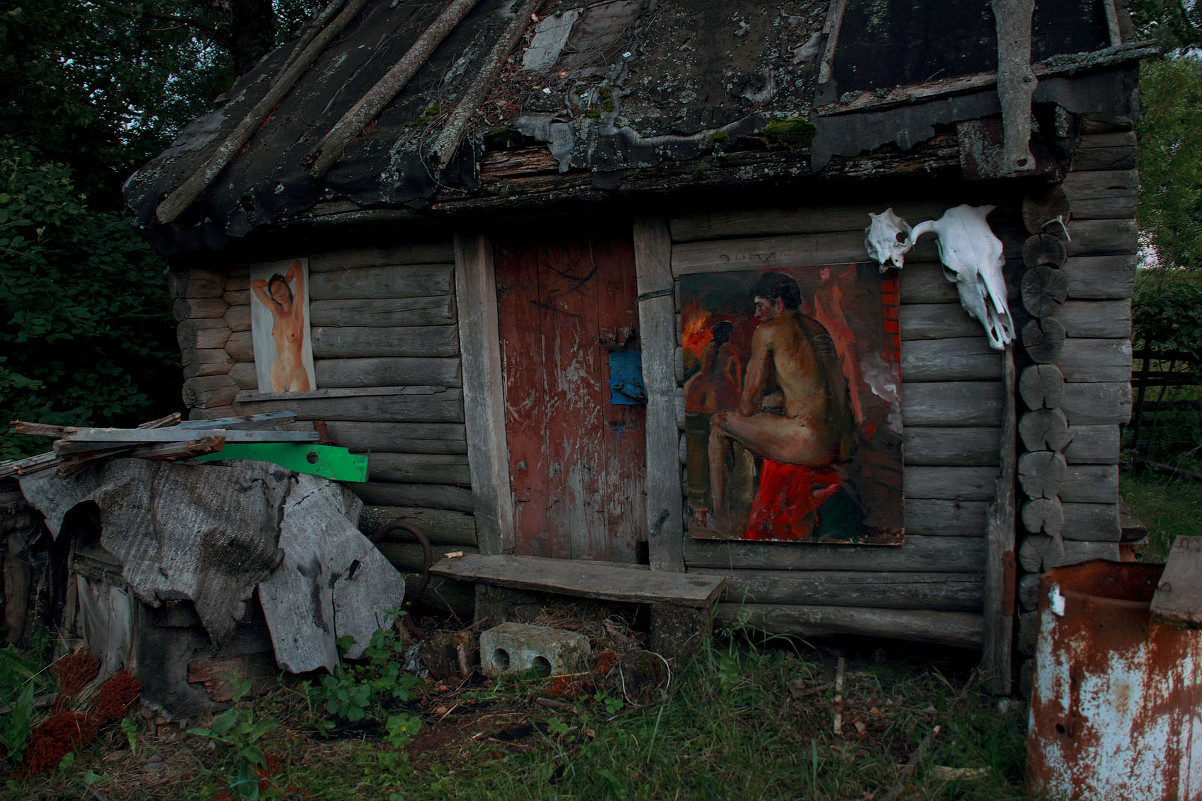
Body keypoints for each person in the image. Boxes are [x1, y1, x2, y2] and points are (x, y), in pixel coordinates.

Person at [708, 272, 856, 537]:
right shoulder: (818, 330)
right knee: (774, 407)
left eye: (760, 305)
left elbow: (747, 407)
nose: (756, 313)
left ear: (778, 304)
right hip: (837, 440)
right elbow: (824, 392)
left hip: (807, 442)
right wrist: (772, 402)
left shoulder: (768, 331)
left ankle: (720, 518)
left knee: (719, 422)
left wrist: (762, 404)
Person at [250, 260, 312, 392]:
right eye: (275, 293)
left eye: (280, 289)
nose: (279, 295)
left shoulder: (296, 309)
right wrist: (270, 282)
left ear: (287, 286)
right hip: (277, 373)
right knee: (278, 409)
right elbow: (254, 285)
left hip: (296, 374)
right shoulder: (275, 312)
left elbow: (297, 267)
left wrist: (283, 279)